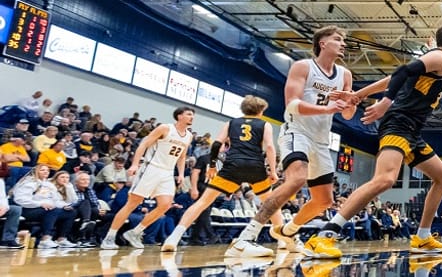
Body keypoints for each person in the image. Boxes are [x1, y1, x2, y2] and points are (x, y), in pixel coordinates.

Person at [307, 25, 442, 257]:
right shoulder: (439, 57)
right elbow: (401, 71)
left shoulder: (433, 58)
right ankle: (324, 235)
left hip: (411, 130)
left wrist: (359, 94)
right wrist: (384, 102)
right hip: (399, 123)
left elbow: (393, 78)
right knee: (385, 179)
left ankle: (422, 237)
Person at [228, 26, 355, 258]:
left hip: (321, 140)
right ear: (322, 43)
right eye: (338, 39)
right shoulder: (303, 66)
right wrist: (327, 107)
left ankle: (288, 231)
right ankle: (244, 238)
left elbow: (347, 115)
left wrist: (350, 102)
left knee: (324, 201)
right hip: (296, 131)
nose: (343, 44)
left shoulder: (345, 75)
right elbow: (292, 104)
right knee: (297, 179)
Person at [162, 96, 283, 254]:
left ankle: (173, 238)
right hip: (255, 166)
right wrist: (273, 170)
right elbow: (269, 147)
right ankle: (282, 241)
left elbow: (217, 143)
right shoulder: (265, 124)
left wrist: (212, 166)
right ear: (260, 111)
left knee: (202, 203)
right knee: (271, 204)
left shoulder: (231, 123)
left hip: (232, 166)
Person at [101, 107, 194, 249]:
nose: (192, 117)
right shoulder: (165, 128)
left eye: (192, 115)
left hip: (167, 172)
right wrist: (134, 164)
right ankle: (109, 237)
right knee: (132, 203)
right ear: (179, 116)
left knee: (165, 205)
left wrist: (181, 174)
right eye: (189, 114)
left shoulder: (189, 135)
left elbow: (182, 156)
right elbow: (143, 144)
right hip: (151, 168)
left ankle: (135, 232)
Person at [12, 165, 75, 248]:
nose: (46, 172)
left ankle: (61, 239)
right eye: (42, 170)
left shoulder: (49, 185)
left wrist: (64, 206)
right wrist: (40, 204)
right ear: (36, 171)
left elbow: (55, 200)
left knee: (70, 213)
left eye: (47, 170)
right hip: (27, 209)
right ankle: (45, 239)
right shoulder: (29, 183)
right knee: (52, 210)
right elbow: (20, 200)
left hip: (46, 209)